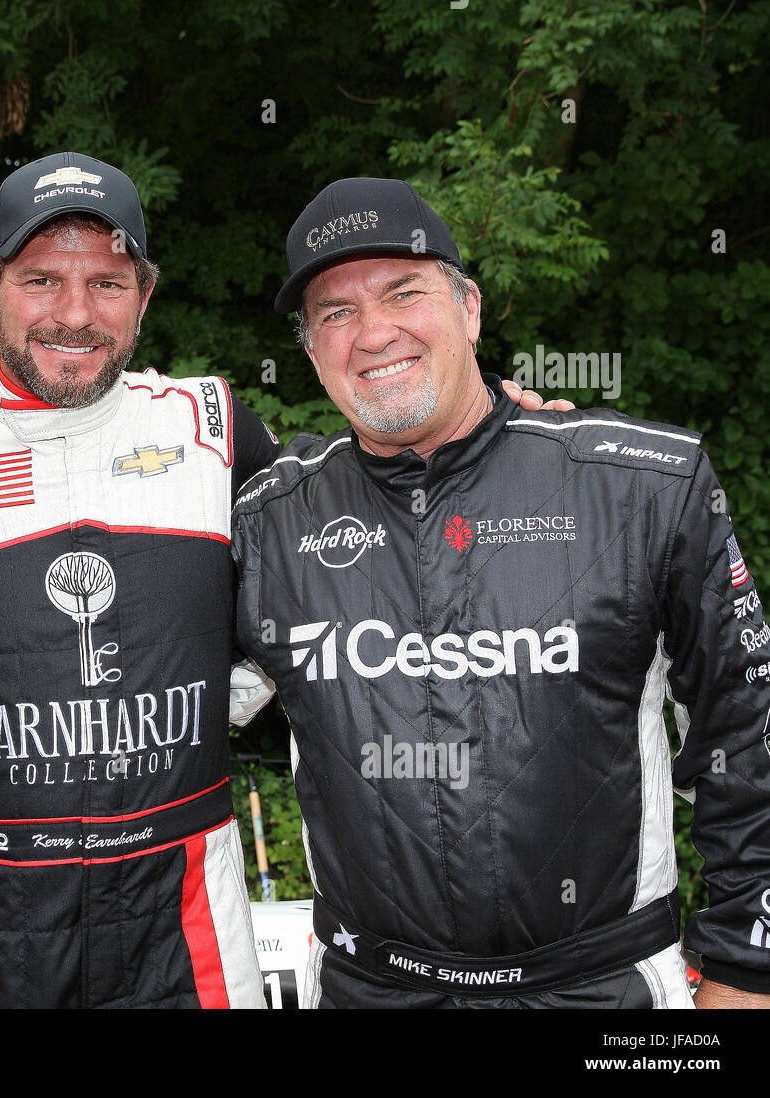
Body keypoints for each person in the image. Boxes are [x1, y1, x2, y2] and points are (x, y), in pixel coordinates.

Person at [0, 154, 557, 1008]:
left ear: (145, 296)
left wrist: (489, 430)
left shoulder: (211, 425)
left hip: (186, 902)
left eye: (109, 284)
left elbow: (347, 536)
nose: (76, 315)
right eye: (42, 280)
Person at [231, 176, 770, 1008]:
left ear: (470, 308)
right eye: (336, 313)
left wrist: (743, 973)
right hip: (368, 989)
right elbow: (166, 710)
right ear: (310, 350)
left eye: (404, 292)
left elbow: (749, 747)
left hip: (604, 990)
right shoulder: (268, 524)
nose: (374, 333)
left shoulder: (642, 489)